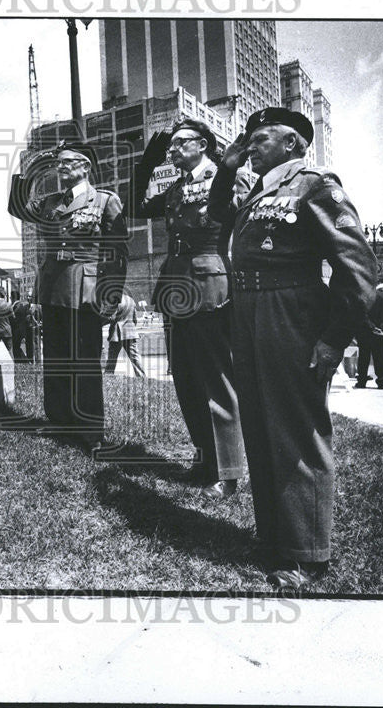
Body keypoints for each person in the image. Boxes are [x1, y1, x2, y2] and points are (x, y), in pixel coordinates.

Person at [208, 107, 378, 590]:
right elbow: (219, 216)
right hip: (250, 312)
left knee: (296, 429)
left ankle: (306, 555)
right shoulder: (257, 192)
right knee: (261, 425)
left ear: (294, 143)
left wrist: (333, 338)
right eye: (250, 138)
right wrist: (227, 169)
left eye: (262, 138)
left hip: (292, 312)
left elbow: (357, 267)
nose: (252, 144)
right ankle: (274, 537)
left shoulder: (316, 184)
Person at [129, 119, 247, 497]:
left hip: (210, 285)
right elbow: (137, 206)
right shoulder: (177, 187)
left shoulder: (225, 177)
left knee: (215, 379)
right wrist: (147, 160)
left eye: (181, 143)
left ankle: (228, 474)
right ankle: (204, 461)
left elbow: (236, 220)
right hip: (176, 286)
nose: (173, 150)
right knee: (185, 377)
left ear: (204, 145)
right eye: (171, 145)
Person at [7, 143, 128, 448]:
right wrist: (32, 168)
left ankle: (91, 432)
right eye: (58, 164)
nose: (61, 168)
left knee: (85, 363)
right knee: (57, 359)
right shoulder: (51, 203)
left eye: (68, 163)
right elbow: (17, 207)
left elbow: (118, 253)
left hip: (85, 292)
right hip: (53, 289)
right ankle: (61, 423)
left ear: (85, 167)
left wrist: (110, 295)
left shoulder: (103, 201)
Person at [355, 282, 383, 389]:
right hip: (380, 333)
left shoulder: (365, 295)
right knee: (380, 357)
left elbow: (362, 313)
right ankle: (381, 381)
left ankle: (362, 381)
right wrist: (381, 328)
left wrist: (371, 327)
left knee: (363, 357)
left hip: (365, 331)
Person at [104, 290, 146, 378]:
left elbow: (111, 317)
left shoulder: (115, 300)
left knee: (112, 357)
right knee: (135, 357)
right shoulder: (131, 300)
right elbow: (135, 319)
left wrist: (99, 322)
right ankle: (142, 376)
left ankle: (108, 375)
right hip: (130, 331)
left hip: (116, 333)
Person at [11, 292, 37, 362]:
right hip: (26, 329)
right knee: (28, 348)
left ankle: (21, 365)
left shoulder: (15, 307)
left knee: (16, 349)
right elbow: (28, 318)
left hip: (18, 331)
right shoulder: (25, 305)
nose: (29, 298)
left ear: (12, 298)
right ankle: (29, 362)